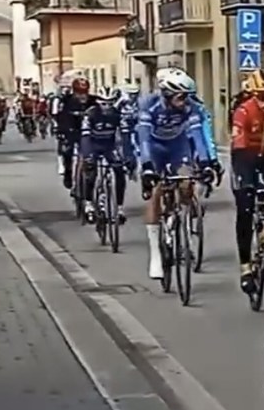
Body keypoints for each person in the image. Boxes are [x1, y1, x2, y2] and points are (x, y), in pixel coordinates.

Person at [137, 68, 214, 280]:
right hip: (154, 148)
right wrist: (147, 166)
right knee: (157, 191)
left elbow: (198, 137)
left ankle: (180, 218)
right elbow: (143, 138)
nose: (185, 101)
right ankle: (155, 255)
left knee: (186, 181)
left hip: (177, 148)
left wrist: (206, 163)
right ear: (168, 95)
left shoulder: (191, 109)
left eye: (187, 96)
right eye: (181, 97)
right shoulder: (149, 106)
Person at [231, 68, 264, 292]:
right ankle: (245, 267)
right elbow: (239, 147)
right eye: (263, 97)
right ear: (253, 95)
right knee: (245, 208)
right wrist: (247, 182)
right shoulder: (244, 112)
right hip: (246, 158)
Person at [81, 85, 127, 224]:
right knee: (91, 173)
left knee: (119, 171)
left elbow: (125, 136)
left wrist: (127, 155)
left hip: (109, 146)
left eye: (110, 103)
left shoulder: (117, 115)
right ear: (98, 102)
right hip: (93, 145)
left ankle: (119, 208)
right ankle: (88, 204)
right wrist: (88, 155)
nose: (107, 107)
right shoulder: (90, 114)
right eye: (103, 103)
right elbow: (85, 137)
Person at [55, 74, 95, 190]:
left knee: (91, 156)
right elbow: (61, 117)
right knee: (67, 150)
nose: (82, 95)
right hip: (72, 130)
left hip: (89, 132)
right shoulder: (67, 101)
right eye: (78, 92)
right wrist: (61, 130)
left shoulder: (93, 100)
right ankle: (68, 172)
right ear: (74, 91)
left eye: (84, 92)